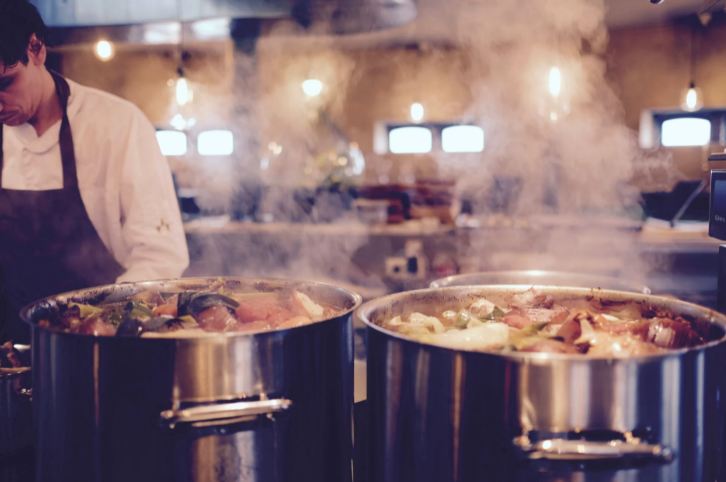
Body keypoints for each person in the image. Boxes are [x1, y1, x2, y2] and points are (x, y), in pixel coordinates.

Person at [0, 0, 189, 342]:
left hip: (99, 350)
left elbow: (159, 257)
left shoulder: (116, 125)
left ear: (36, 48)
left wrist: (103, 327)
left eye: (5, 83)